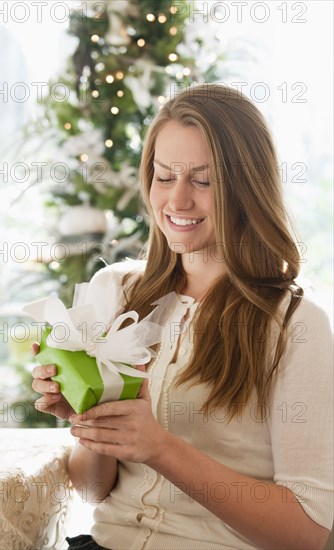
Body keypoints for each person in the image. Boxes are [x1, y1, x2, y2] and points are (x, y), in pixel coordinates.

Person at [32, 84, 333, 550]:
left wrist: (162, 449)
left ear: (247, 187)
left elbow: (307, 534)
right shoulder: (116, 291)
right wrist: (90, 422)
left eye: (203, 180)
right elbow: (92, 490)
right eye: (164, 176)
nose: (177, 201)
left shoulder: (297, 324)